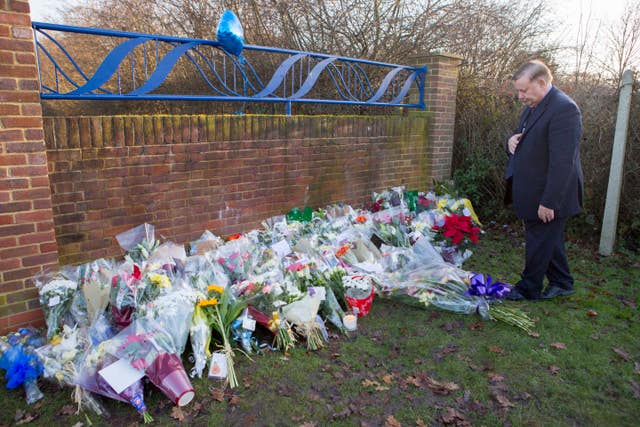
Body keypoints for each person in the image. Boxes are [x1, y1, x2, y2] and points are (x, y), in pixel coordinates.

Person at [503, 60, 584, 301]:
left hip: (550, 193)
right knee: (549, 239)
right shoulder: (533, 105)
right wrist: (510, 142)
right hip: (532, 187)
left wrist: (549, 202)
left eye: (523, 90)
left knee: (539, 240)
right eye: (518, 90)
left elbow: (563, 162)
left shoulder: (565, 109)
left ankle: (528, 288)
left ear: (541, 82)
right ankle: (562, 282)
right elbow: (525, 140)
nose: (520, 96)